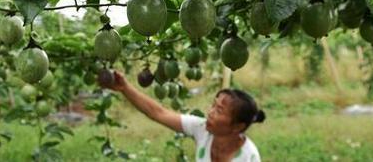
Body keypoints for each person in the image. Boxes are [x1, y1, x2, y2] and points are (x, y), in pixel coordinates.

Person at [103, 71, 265, 162]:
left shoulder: (249, 157)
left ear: (238, 126)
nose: (210, 112)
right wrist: (125, 88)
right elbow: (158, 113)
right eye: (213, 105)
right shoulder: (202, 129)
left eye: (219, 110)